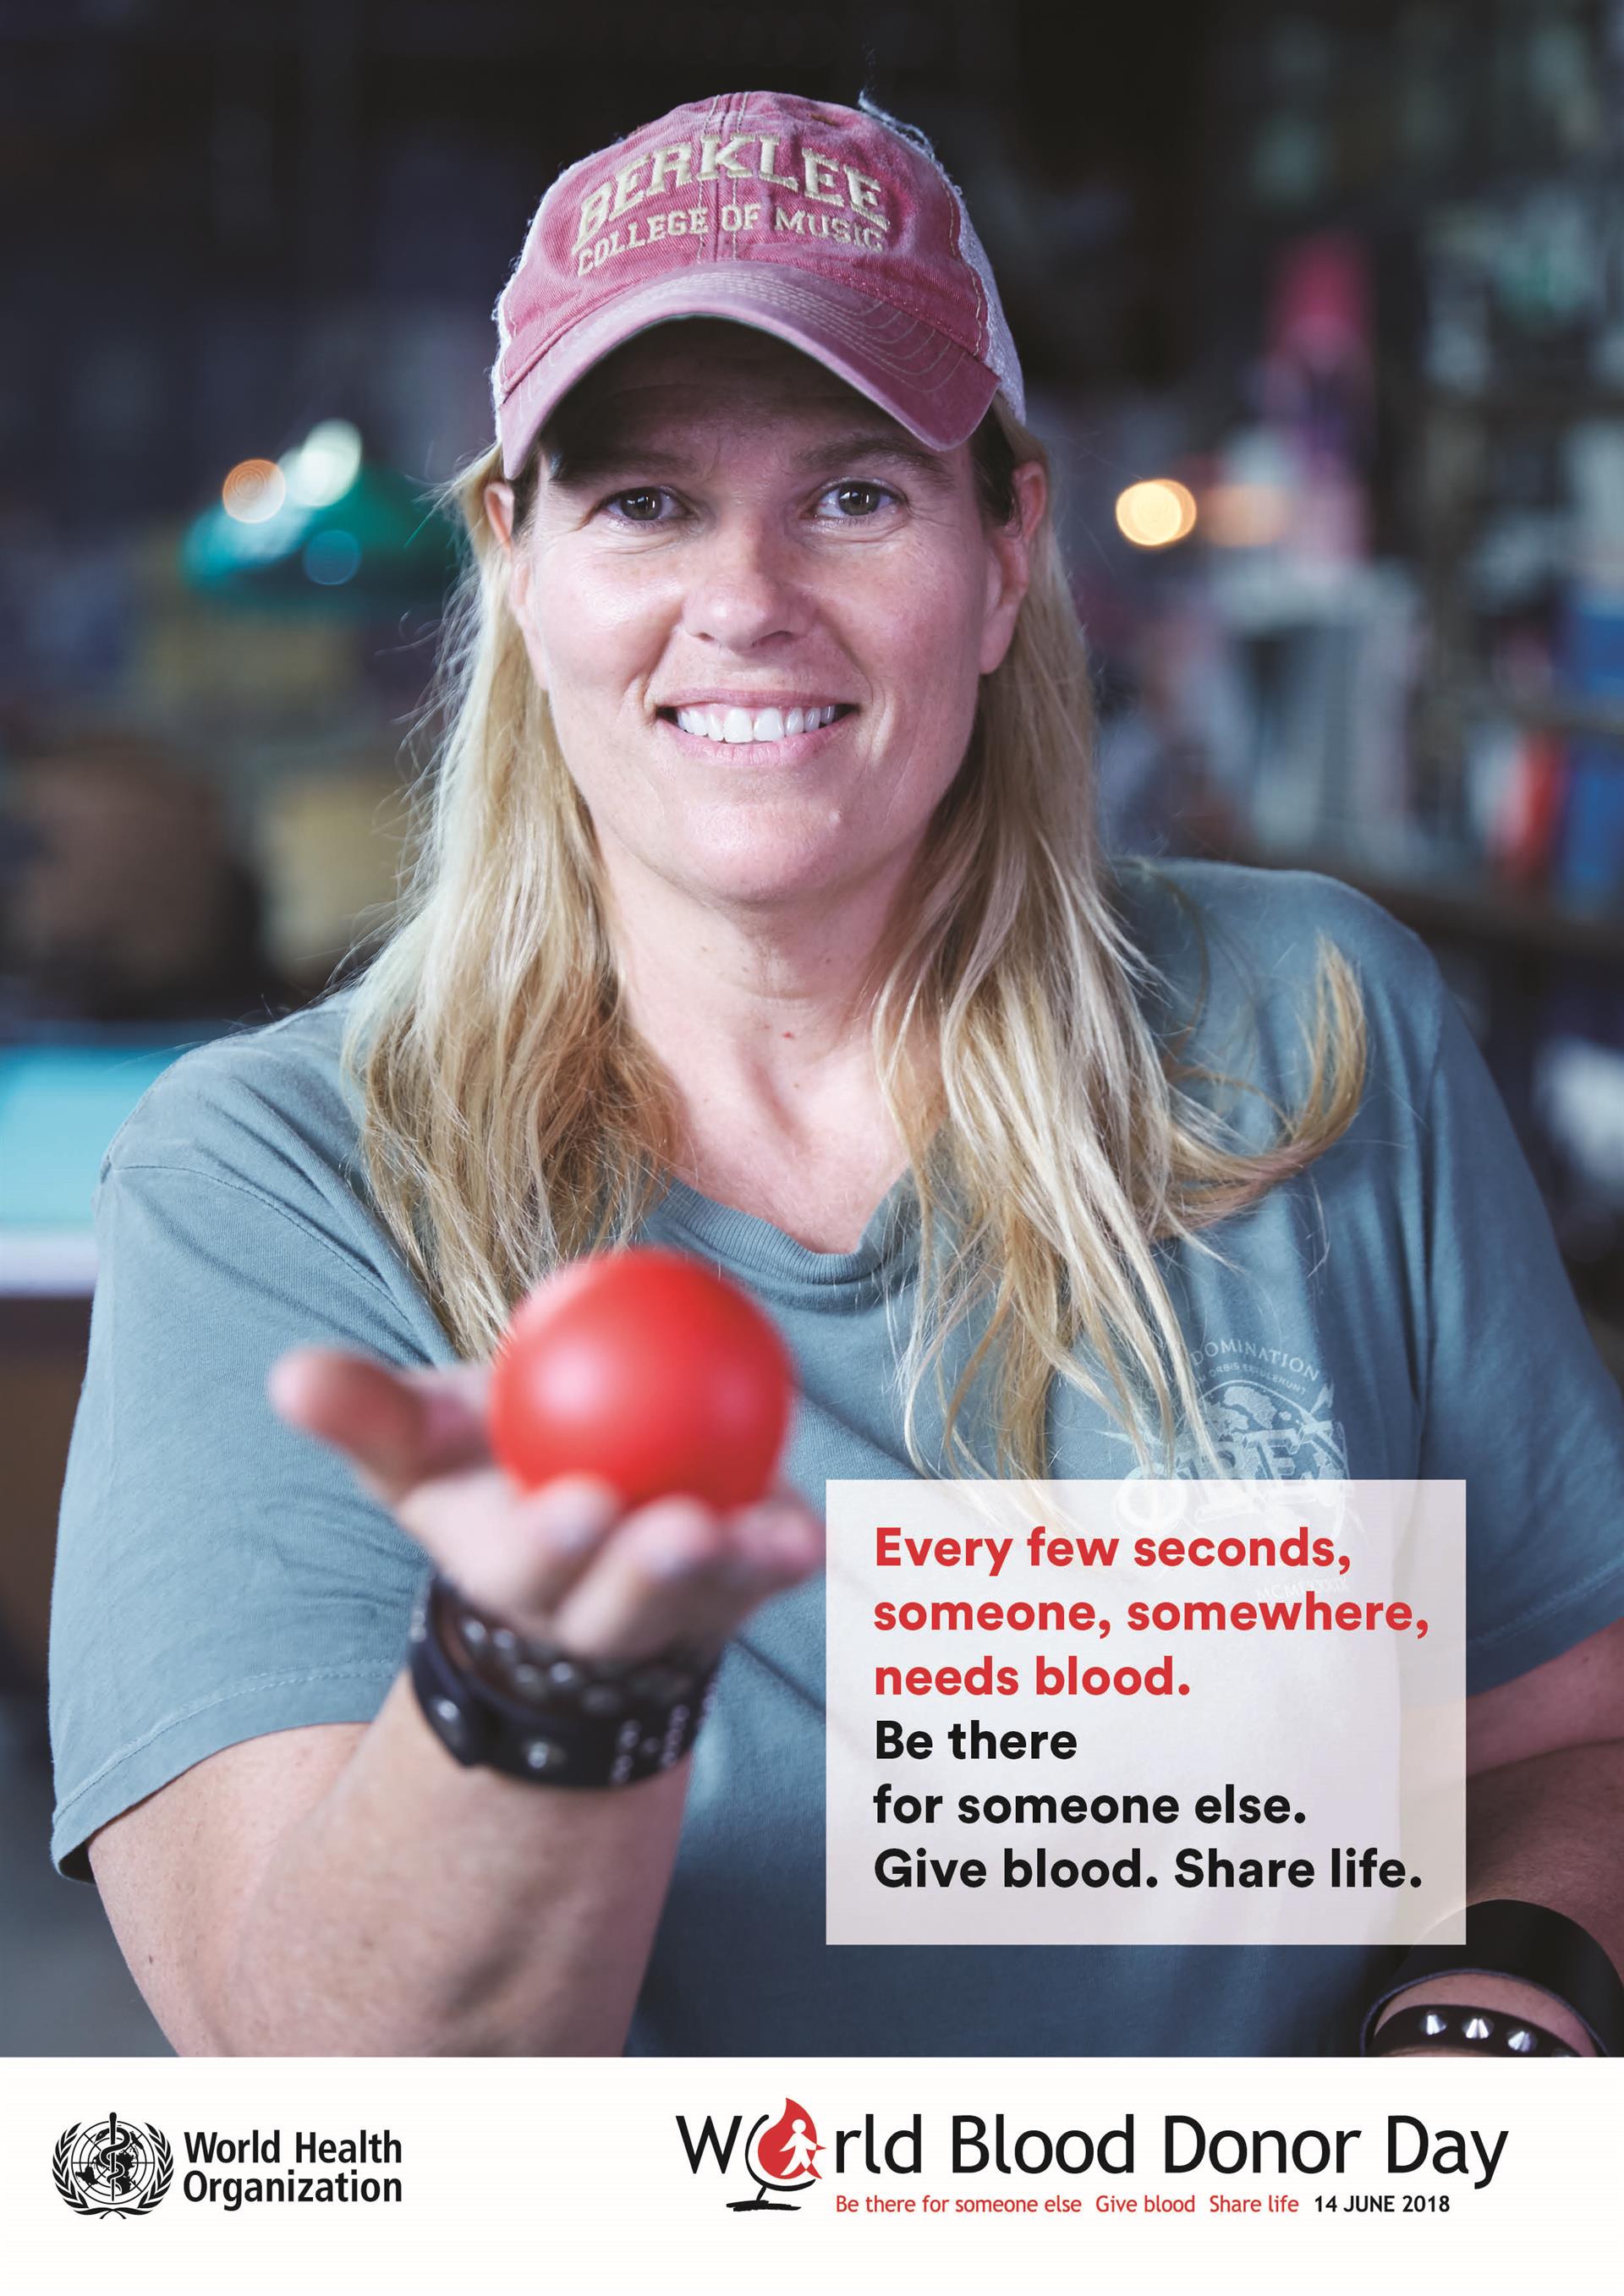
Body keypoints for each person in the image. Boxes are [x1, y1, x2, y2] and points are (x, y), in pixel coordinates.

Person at [49, 91, 1624, 2058]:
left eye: (854, 493)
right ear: (517, 566)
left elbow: (1570, 1725)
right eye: (645, 502)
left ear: (1004, 548)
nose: (748, 599)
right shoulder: (277, 1183)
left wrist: (1491, 2032)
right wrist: (546, 1685)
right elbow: (321, 2099)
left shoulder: (1310, 1024)